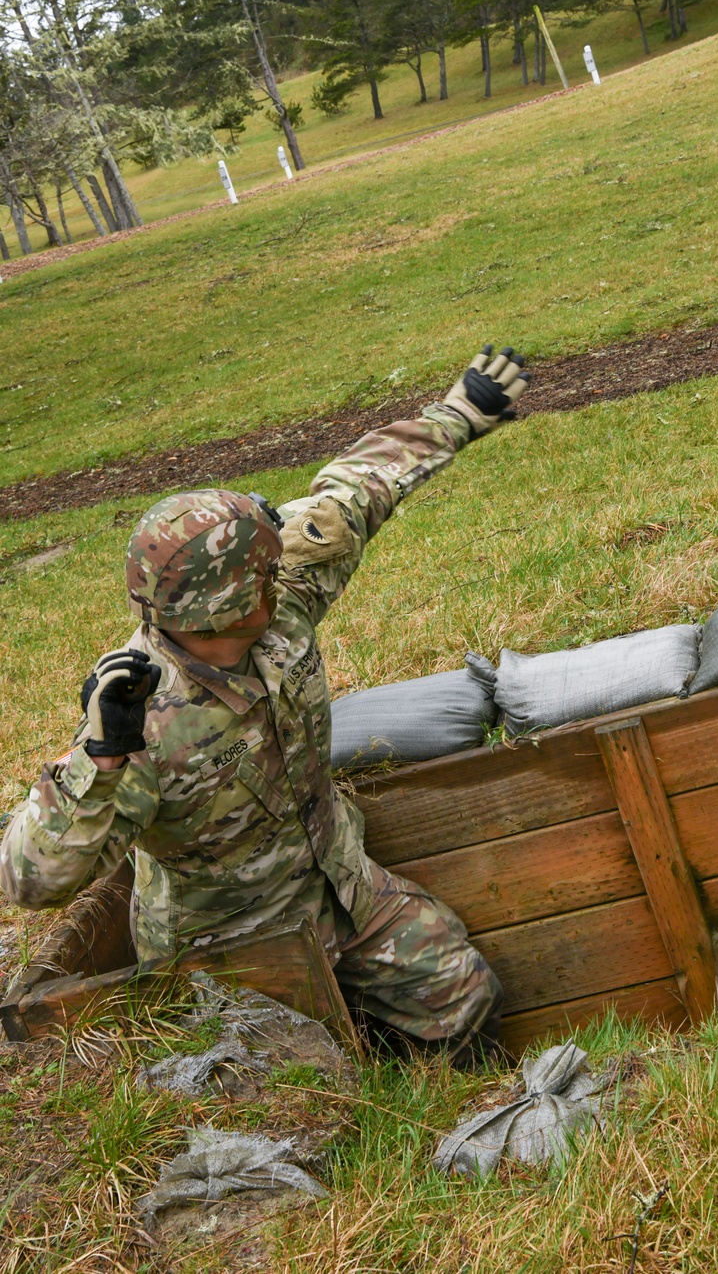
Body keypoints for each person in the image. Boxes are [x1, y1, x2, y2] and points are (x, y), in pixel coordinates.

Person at [0, 345, 530, 1065]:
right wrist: (100, 760)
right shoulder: (140, 721)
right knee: (301, 1098)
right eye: (267, 569)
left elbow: (352, 491)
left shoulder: (278, 604)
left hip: (340, 887)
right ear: (230, 602)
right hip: (225, 955)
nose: (283, 565)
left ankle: (430, 1092)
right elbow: (33, 878)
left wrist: (460, 413)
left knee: (463, 995)